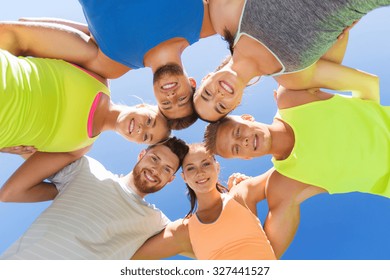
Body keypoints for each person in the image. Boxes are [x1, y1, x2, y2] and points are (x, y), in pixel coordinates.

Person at [203, 83, 390, 258]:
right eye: (236, 149)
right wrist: (243, 198)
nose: (242, 141)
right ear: (245, 157)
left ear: (247, 118)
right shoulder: (284, 186)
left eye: (237, 132)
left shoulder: (292, 99)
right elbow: (264, 259)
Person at [0, 30, 170, 202]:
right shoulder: (96, 72)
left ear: (137, 144)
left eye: (146, 137)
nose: (142, 129)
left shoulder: (77, 148)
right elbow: (15, 34)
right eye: (149, 120)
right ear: (143, 106)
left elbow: (11, 193)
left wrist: (80, 189)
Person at [5, 0, 217, 126]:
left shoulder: (113, 65)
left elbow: (25, 35)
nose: (171, 97)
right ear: (192, 83)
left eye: (166, 104)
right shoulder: (206, 21)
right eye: (182, 99)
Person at [194, 0, 390, 121]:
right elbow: (367, 84)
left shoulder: (224, 16)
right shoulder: (294, 78)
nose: (218, 95)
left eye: (207, 94)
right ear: (237, 102)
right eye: (221, 106)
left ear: (207, 78)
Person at [0, 137, 189, 259]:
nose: (156, 170)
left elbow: (204, 244)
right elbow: (29, 153)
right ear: (142, 154)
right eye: (154, 159)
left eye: (167, 169)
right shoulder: (87, 169)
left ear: (171, 179)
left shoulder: (156, 221)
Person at [132, 143, 276, 260]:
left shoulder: (241, 194)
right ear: (184, 177)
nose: (199, 172)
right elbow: (127, 257)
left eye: (205, 164)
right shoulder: (182, 231)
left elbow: (288, 171)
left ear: (217, 167)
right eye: (190, 168)